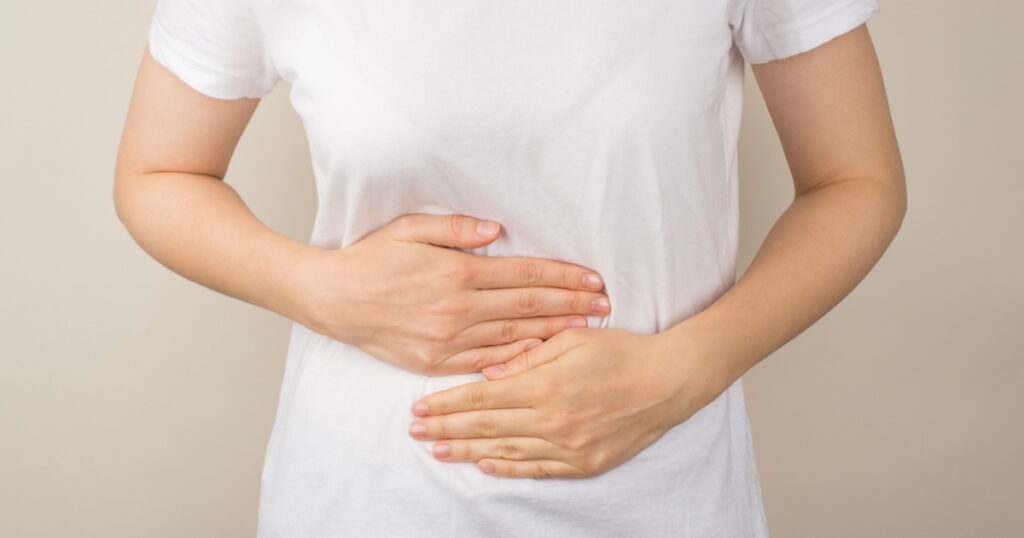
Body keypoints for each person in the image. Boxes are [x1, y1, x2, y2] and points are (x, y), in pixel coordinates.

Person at [114, 0, 906, 536]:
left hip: (659, 492)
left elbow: (857, 182)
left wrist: (688, 370)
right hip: (368, 497)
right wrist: (323, 291)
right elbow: (156, 174)